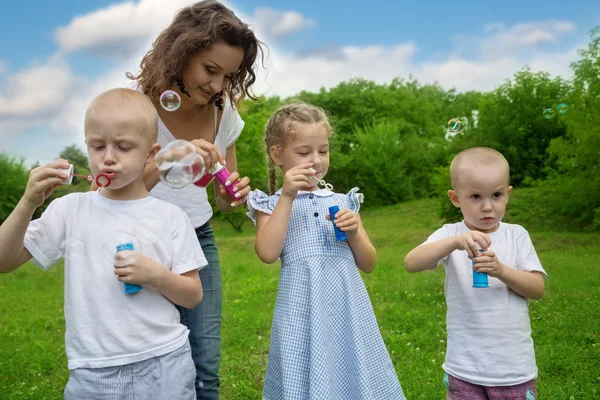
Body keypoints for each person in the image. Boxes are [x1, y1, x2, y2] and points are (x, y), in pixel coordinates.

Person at [100, 1, 264, 397]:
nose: (217, 85)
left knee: (204, 365)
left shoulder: (223, 111)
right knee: (140, 359)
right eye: (210, 70)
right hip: (137, 242)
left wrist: (231, 193)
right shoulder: (136, 105)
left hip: (197, 242)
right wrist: (174, 156)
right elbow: (111, 189)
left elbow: (222, 199)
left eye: (228, 75)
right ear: (183, 51)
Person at [0, 88, 207, 399]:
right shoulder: (70, 210)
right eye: (97, 146)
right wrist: (28, 203)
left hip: (165, 363)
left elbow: (192, 296)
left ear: (151, 154)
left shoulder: (170, 216)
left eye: (123, 147)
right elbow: (5, 261)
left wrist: (156, 275)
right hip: (93, 372)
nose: (108, 157)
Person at [246, 102, 406, 399]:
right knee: (303, 364)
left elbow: (369, 263)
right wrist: (288, 197)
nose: (316, 160)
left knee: (348, 360)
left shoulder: (343, 201)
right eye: (304, 152)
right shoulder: (269, 205)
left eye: (323, 150)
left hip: (346, 304)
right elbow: (267, 252)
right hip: (300, 307)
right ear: (278, 155)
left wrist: (355, 232)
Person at [404, 147, 546, 400]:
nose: (487, 207)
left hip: (513, 369)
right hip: (464, 368)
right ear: (455, 198)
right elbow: (411, 262)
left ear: (508, 194)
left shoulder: (516, 235)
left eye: (497, 195)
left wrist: (501, 270)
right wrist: (453, 243)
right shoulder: (451, 235)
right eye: (476, 196)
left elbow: (536, 288)